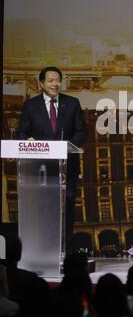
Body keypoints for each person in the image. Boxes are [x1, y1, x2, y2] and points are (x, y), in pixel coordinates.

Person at [17, 66, 88, 250]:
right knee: (43, 209)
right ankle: (43, 248)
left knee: (67, 209)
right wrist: (28, 141)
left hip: (67, 168)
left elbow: (82, 132)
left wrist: (65, 147)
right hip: (41, 169)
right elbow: (22, 133)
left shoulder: (72, 103)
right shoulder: (30, 106)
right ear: (41, 83)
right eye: (50, 80)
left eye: (57, 80)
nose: (55, 84)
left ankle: (64, 249)